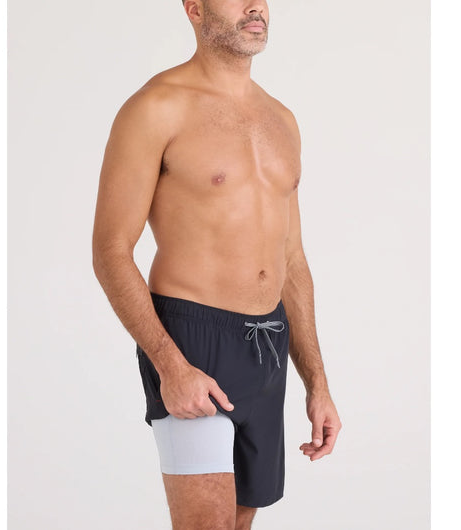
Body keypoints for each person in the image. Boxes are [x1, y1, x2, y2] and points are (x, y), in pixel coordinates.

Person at [92, 1, 342, 528]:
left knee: (241, 522)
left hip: (270, 345)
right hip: (193, 340)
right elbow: (111, 249)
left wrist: (317, 383)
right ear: (195, 8)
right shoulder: (157, 107)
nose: (256, 7)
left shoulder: (282, 120)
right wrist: (170, 365)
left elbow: (292, 258)